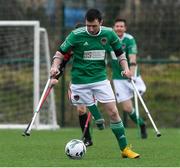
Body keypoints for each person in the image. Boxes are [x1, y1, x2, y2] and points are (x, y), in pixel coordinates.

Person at [50, 9, 140, 159]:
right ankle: (96, 119)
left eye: (94, 26)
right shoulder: (76, 35)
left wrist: (125, 69)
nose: (91, 29)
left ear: (101, 23)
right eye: (88, 26)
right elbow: (59, 54)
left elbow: (120, 54)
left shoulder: (109, 34)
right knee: (81, 108)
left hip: (100, 80)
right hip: (79, 82)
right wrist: (54, 66)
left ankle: (124, 149)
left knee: (113, 112)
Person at [111, 18, 147, 138]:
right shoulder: (108, 39)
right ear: (114, 28)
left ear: (125, 28)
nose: (119, 28)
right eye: (117, 26)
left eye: (121, 26)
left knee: (141, 91)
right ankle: (141, 124)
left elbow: (132, 57)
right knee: (127, 108)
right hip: (117, 78)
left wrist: (130, 72)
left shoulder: (129, 39)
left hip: (132, 76)